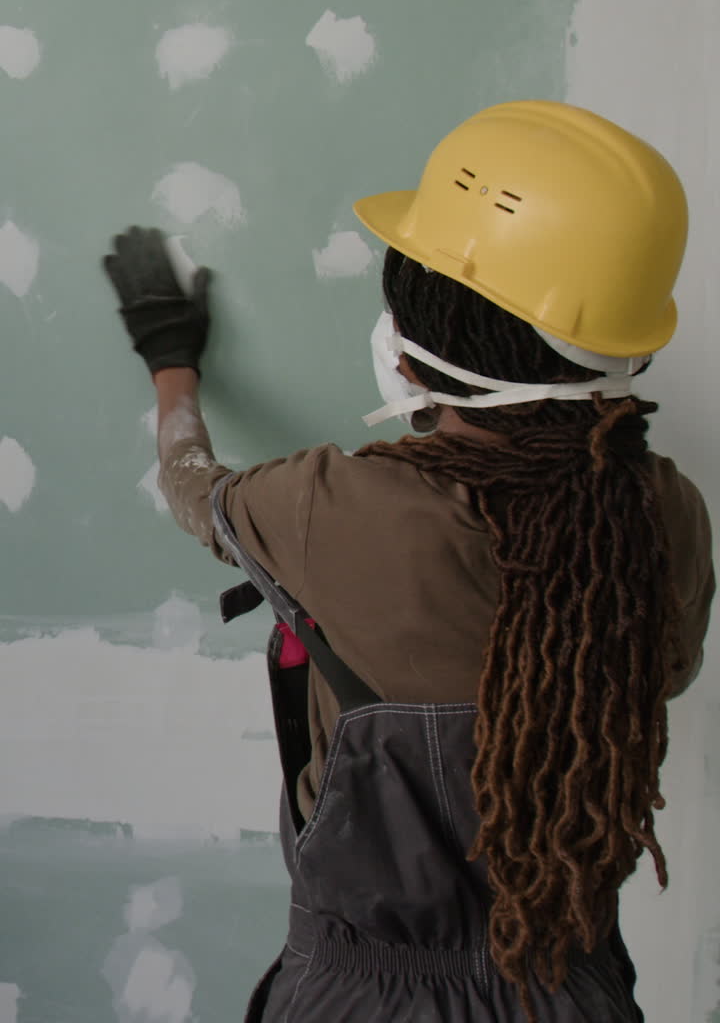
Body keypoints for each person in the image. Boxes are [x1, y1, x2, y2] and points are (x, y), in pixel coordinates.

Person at [103, 100, 714, 1022]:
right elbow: (662, 676)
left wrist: (170, 361)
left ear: (419, 344)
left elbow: (191, 483)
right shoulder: (664, 509)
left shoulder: (328, 507)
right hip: (576, 989)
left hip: (364, 1000)